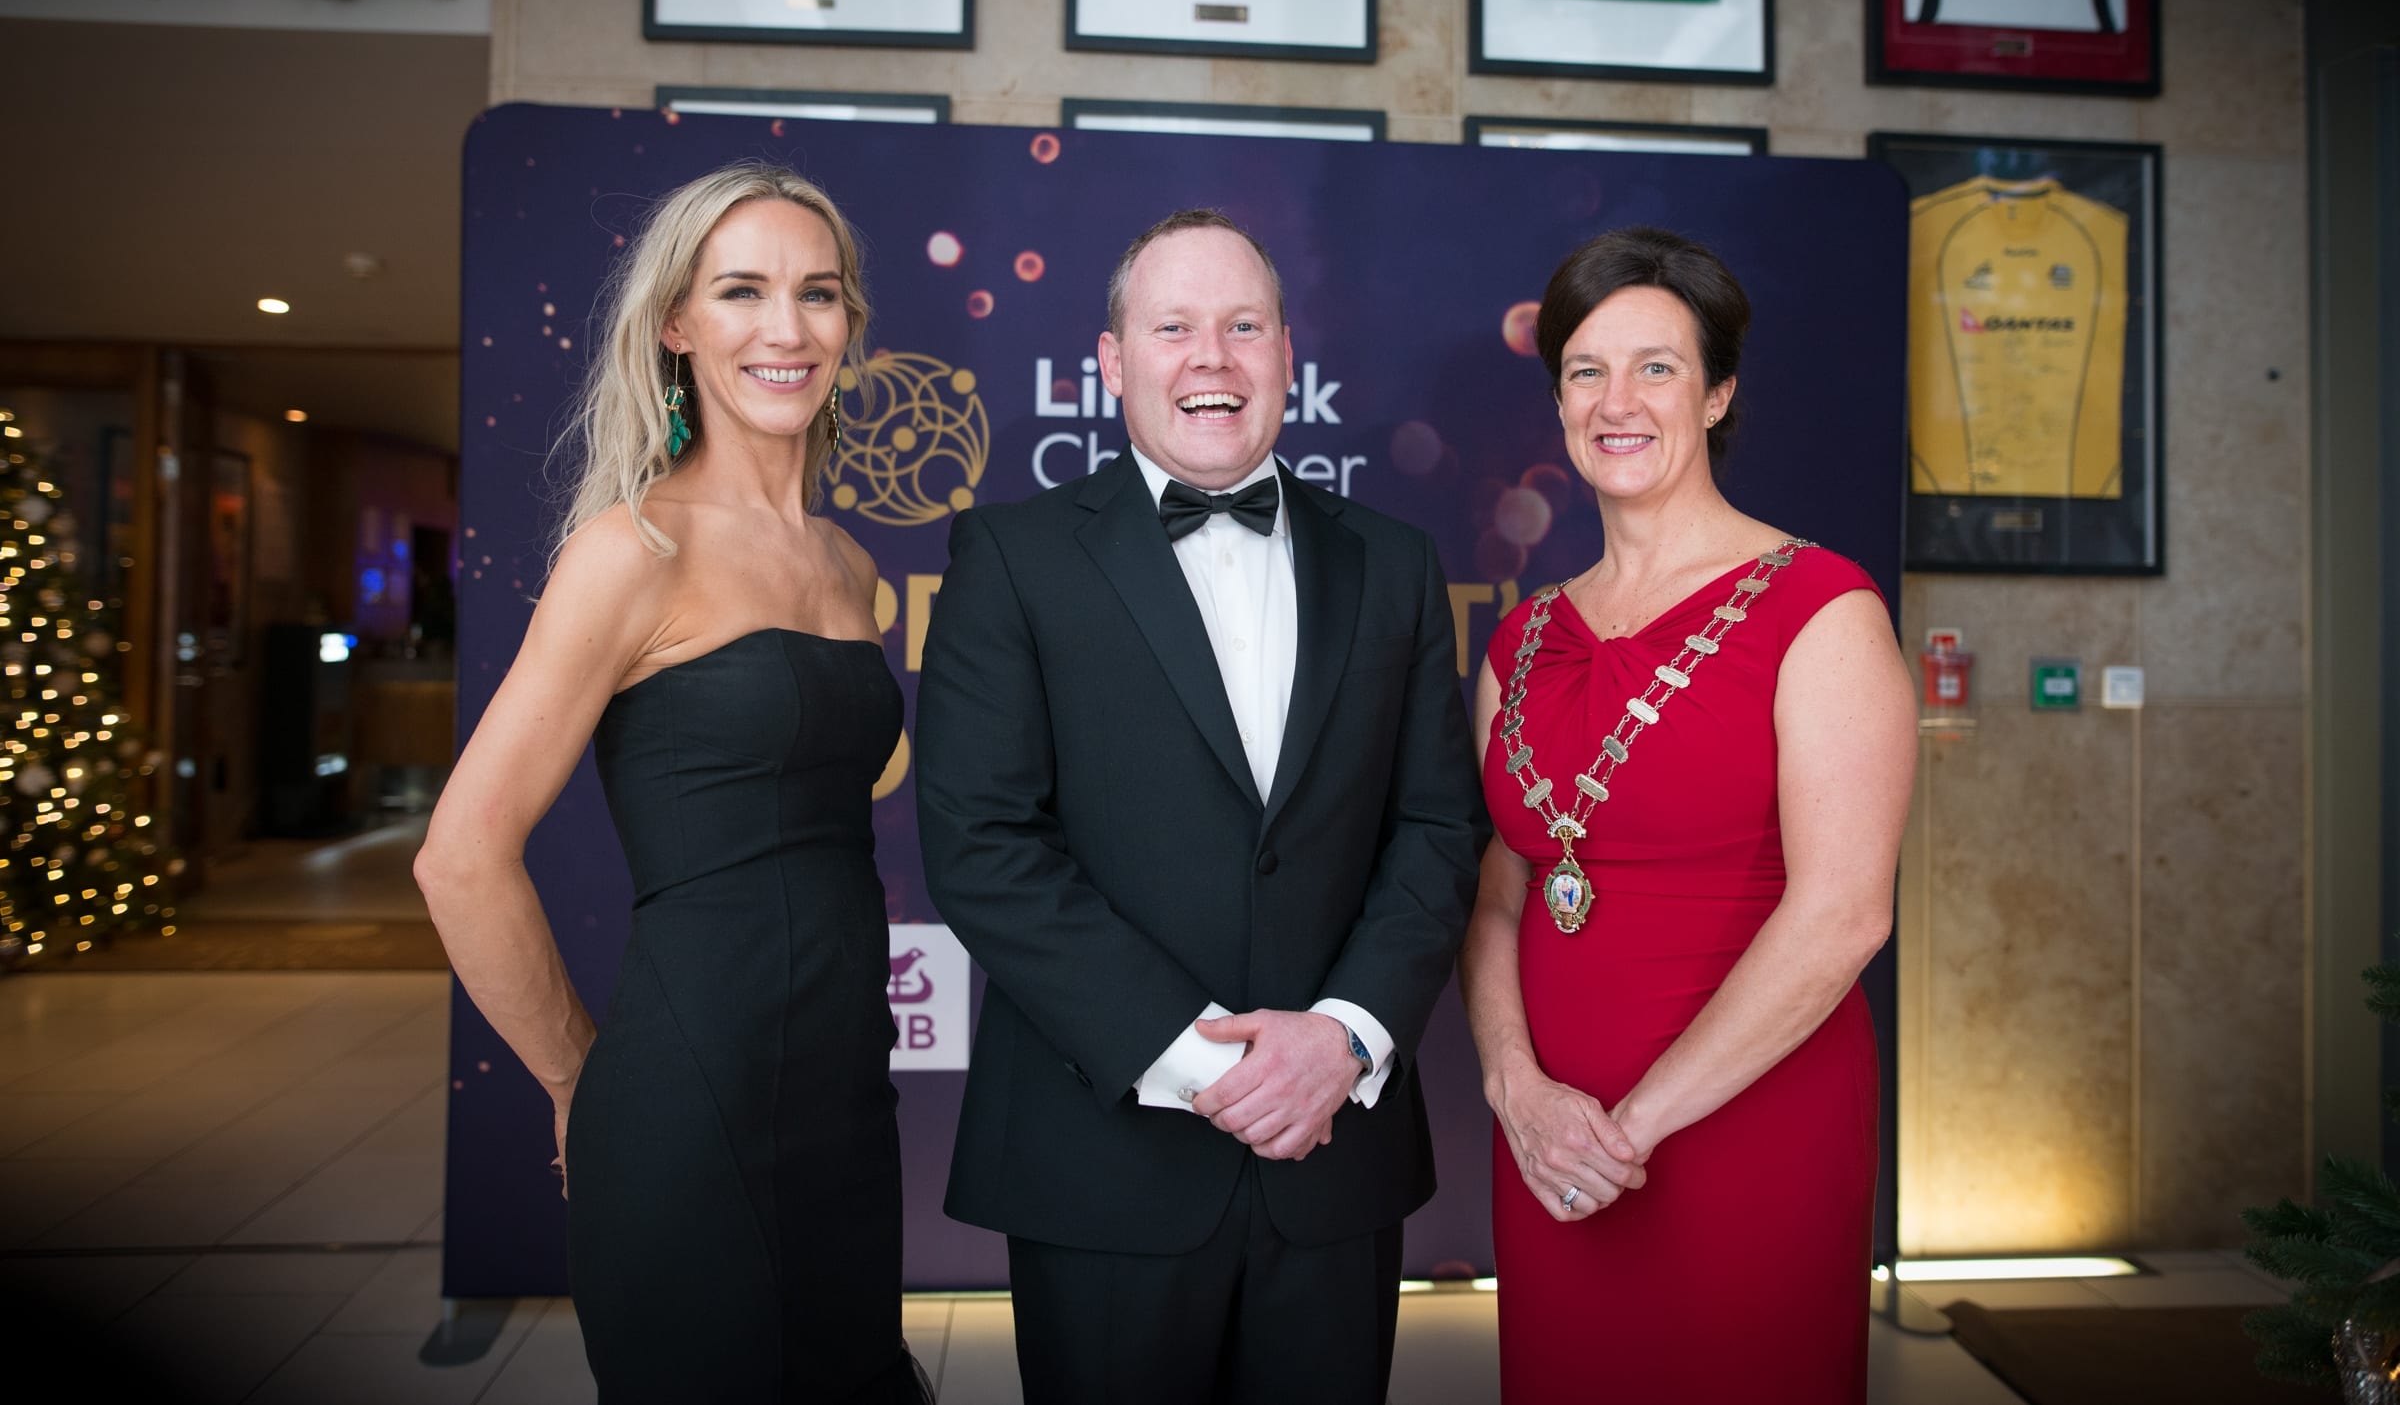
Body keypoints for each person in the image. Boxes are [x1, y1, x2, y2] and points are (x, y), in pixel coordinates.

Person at [914, 208, 1485, 1405]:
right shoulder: (1012, 558)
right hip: (1101, 1157)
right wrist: (1202, 1064)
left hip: (1336, 1153)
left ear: (1288, 354)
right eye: (1172, 327)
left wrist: (1343, 1039)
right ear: (1115, 363)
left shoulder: (1394, 563)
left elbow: (1437, 829)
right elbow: (982, 847)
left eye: (1242, 326)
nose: (1210, 359)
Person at [414, 161, 928, 1402]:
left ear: (850, 324)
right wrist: (576, 1079)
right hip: (686, 1107)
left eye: (818, 293)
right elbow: (460, 855)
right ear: (676, 327)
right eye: (742, 291)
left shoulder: (849, 562)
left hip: (847, 1103)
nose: (786, 328)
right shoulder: (628, 550)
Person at [1459, 227, 1916, 1403]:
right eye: (1585, 370)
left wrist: (1633, 1130)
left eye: (1657, 367)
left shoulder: (1822, 610)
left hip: (1746, 1128)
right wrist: (1519, 1092)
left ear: (1717, 395)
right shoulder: (1523, 640)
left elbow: (1845, 916)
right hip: (1554, 1143)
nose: (1618, 401)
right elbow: (1501, 893)